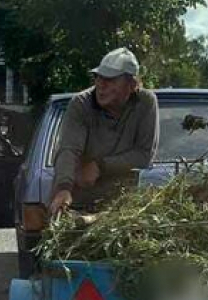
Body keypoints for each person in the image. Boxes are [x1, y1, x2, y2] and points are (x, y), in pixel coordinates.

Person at [49, 48, 160, 215]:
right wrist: (63, 188)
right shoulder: (81, 104)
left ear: (131, 85)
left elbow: (144, 155)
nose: (101, 86)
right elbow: (69, 149)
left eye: (110, 80)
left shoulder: (145, 103)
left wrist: (100, 166)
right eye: (98, 78)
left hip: (123, 207)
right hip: (78, 204)